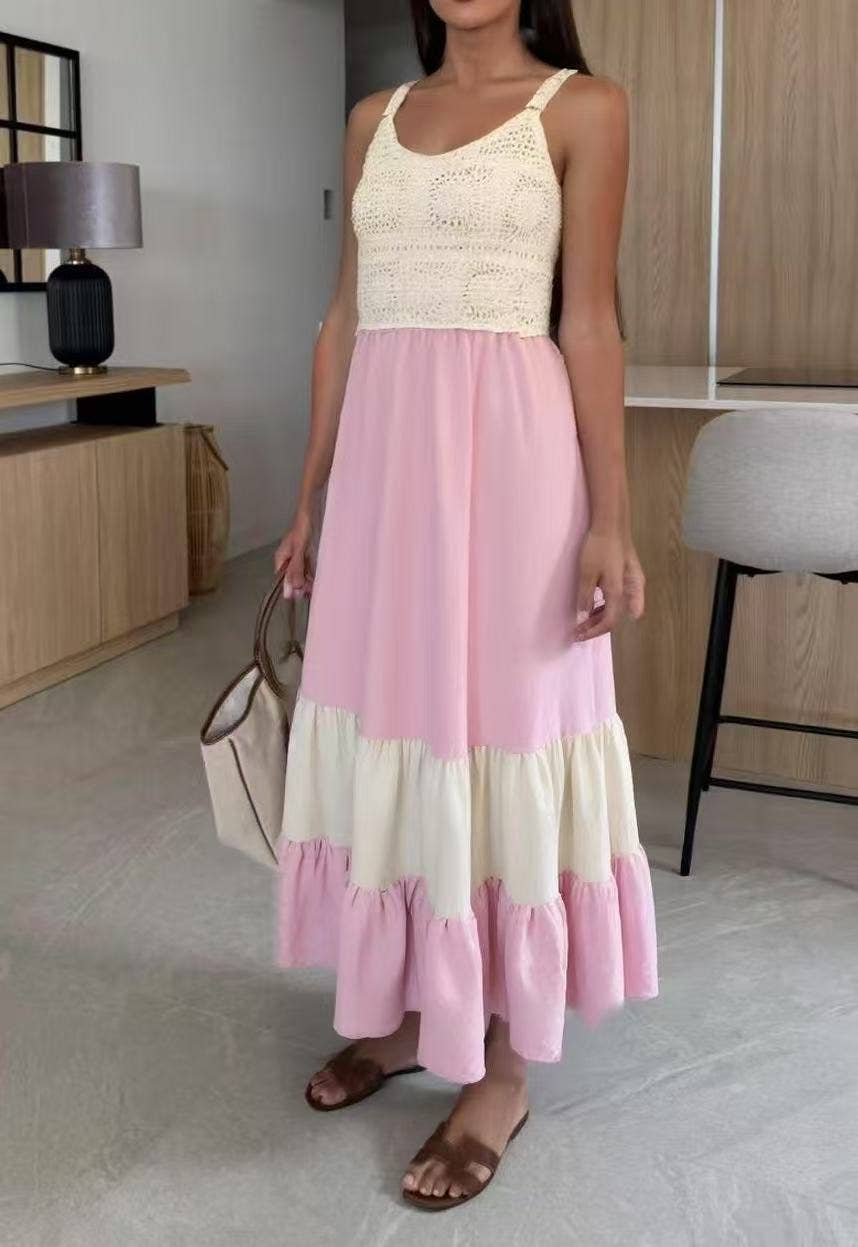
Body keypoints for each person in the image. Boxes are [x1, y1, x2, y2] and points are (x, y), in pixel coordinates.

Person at [274, 0, 658, 1210]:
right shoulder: (373, 119)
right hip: (385, 478)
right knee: (395, 725)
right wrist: (310, 493)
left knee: (500, 731)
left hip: (513, 469)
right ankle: (404, 1012)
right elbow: (345, 318)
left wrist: (610, 516)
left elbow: (588, 321)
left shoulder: (583, 108)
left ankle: (501, 1067)